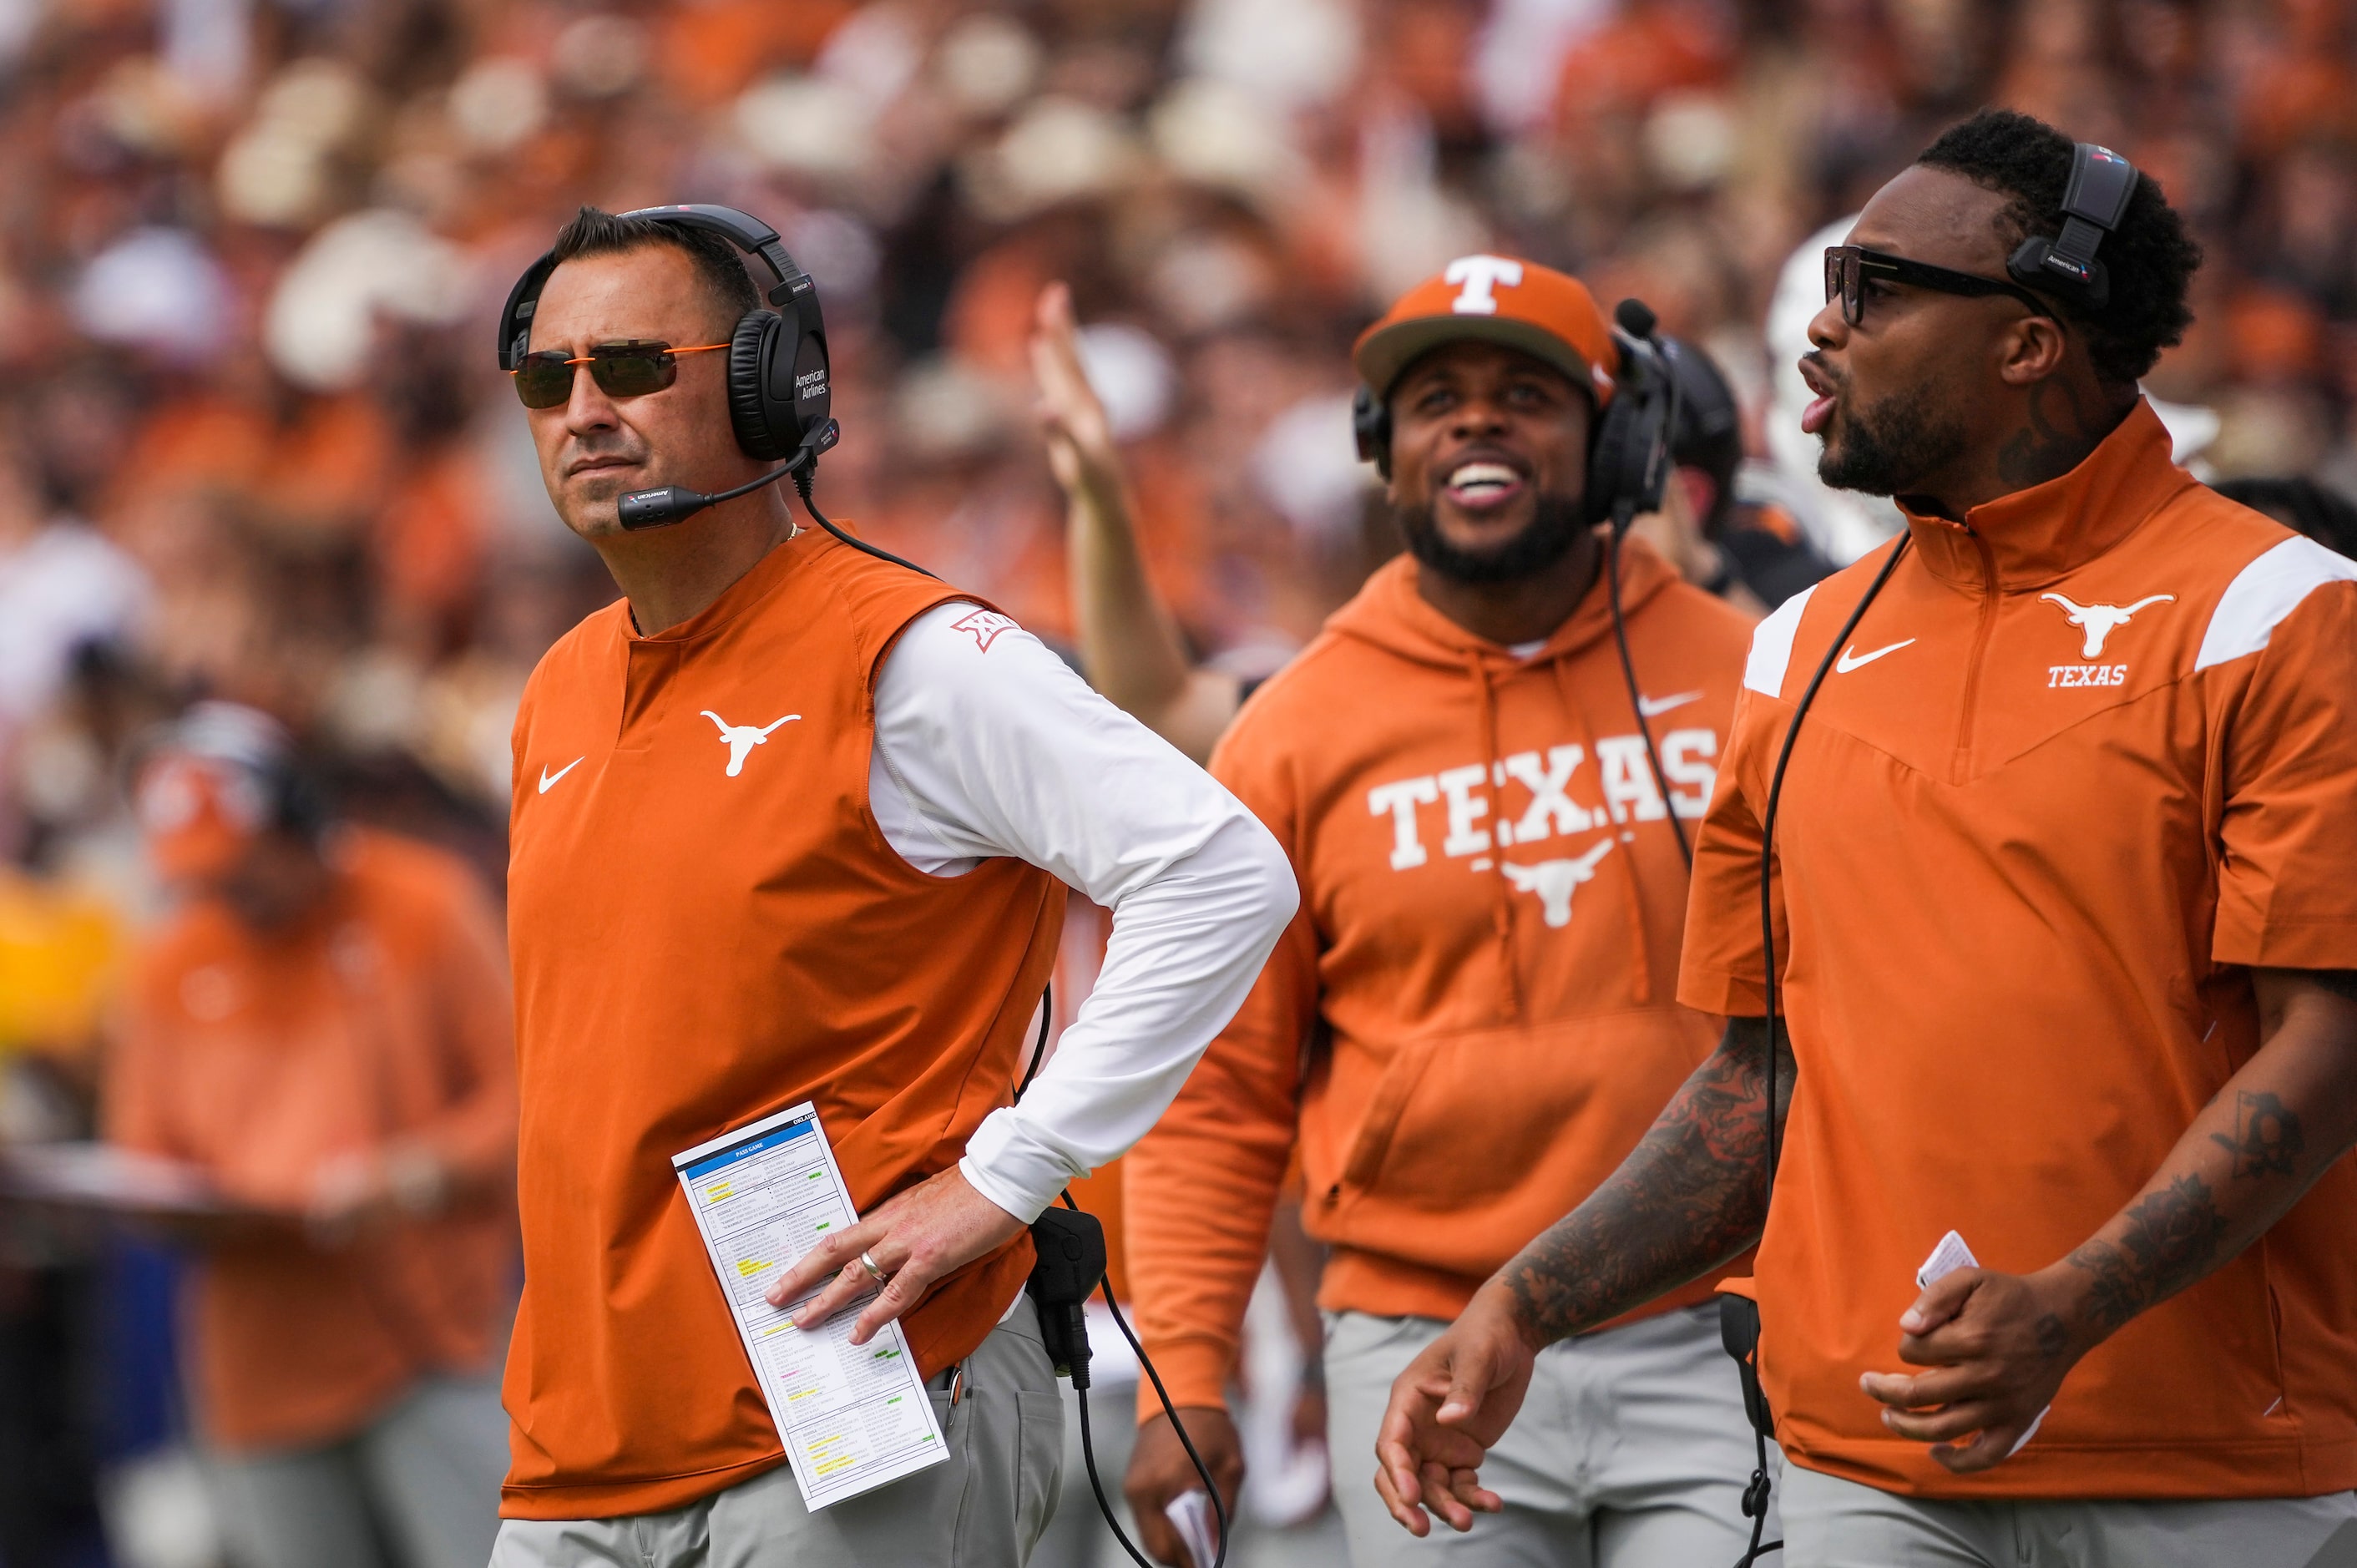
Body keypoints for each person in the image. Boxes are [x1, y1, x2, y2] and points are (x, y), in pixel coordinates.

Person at [1375, 109, 2357, 1568]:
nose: (1819, 333)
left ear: (2029, 341)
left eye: (1870, 288)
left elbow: (2327, 1042)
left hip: (2216, 1469)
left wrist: (2072, 1303)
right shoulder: (1795, 651)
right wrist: (1521, 1302)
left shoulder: (2285, 610)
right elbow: (1755, 1083)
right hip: (1865, 1464)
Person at [485, 205, 1296, 1568]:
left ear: (767, 382)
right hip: (584, 1433)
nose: (581, 408)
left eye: (630, 366)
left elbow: (1221, 872)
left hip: (861, 1386)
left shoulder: (914, 656)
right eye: (545, 377)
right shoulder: (557, 687)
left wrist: (1005, 1175)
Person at [1120, 256, 1765, 1567]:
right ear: (1384, 450)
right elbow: (1217, 1091)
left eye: (1523, 392)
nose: (1474, 421)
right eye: (1434, 401)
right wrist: (1181, 1376)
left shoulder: (1746, 672)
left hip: (1719, 1323)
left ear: (1617, 436)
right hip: (1418, 1344)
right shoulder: (1293, 731)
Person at [105, 701, 518, 1568]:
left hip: (430, 1334)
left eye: (243, 867)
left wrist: (416, 1176)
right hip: (261, 1363)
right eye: (204, 876)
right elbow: (139, 1154)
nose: (228, 893)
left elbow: (527, 1095)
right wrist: (190, 1209)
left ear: (301, 817)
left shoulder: (424, 904)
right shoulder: (170, 961)